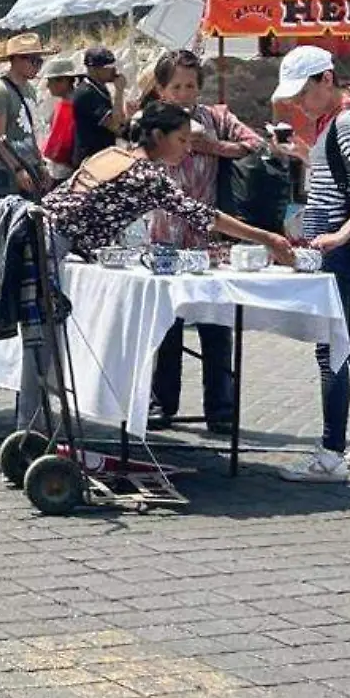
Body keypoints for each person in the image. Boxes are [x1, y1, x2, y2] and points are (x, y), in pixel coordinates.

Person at [0, 102, 294, 417]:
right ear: (159, 136)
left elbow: (85, 205)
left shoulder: (109, 155)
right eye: (183, 140)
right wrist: (268, 238)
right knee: (38, 336)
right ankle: (30, 431)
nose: (188, 150)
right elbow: (204, 215)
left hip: (17, 222)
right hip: (42, 241)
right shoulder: (147, 176)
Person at [274, 45, 350, 483]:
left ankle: (330, 454)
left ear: (326, 79)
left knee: (332, 349)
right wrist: (305, 156)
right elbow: (342, 178)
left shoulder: (345, 121)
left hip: (341, 254)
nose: (299, 103)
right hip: (346, 252)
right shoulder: (335, 121)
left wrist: (340, 235)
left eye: (304, 91)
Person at [140, 50, 264, 434]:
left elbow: (254, 143)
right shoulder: (150, 121)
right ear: (161, 89)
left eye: (190, 86)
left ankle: (220, 407)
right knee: (167, 327)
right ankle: (162, 403)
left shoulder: (216, 118)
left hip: (206, 238)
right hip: (163, 237)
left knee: (216, 325)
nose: (184, 93)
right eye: (175, 86)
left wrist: (214, 146)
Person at [0, 33, 54, 200]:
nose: (38, 66)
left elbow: (31, 131)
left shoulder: (30, 90)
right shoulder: (0, 91)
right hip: (4, 171)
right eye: (33, 61)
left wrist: (40, 164)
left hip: (29, 166)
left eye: (40, 61)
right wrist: (17, 169)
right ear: (17, 60)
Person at [70, 46, 126, 167]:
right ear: (94, 69)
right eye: (108, 68)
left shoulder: (98, 88)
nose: (114, 71)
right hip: (91, 160)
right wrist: (119, 91)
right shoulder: (87, 93)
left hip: (101, 156)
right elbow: (115, 124)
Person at [37, 53, 83, 184]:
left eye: (50, 81)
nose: (48, 86)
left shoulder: (69, 106)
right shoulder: (67, 103)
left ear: (64, 81)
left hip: (65, 173)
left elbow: (59, 148)